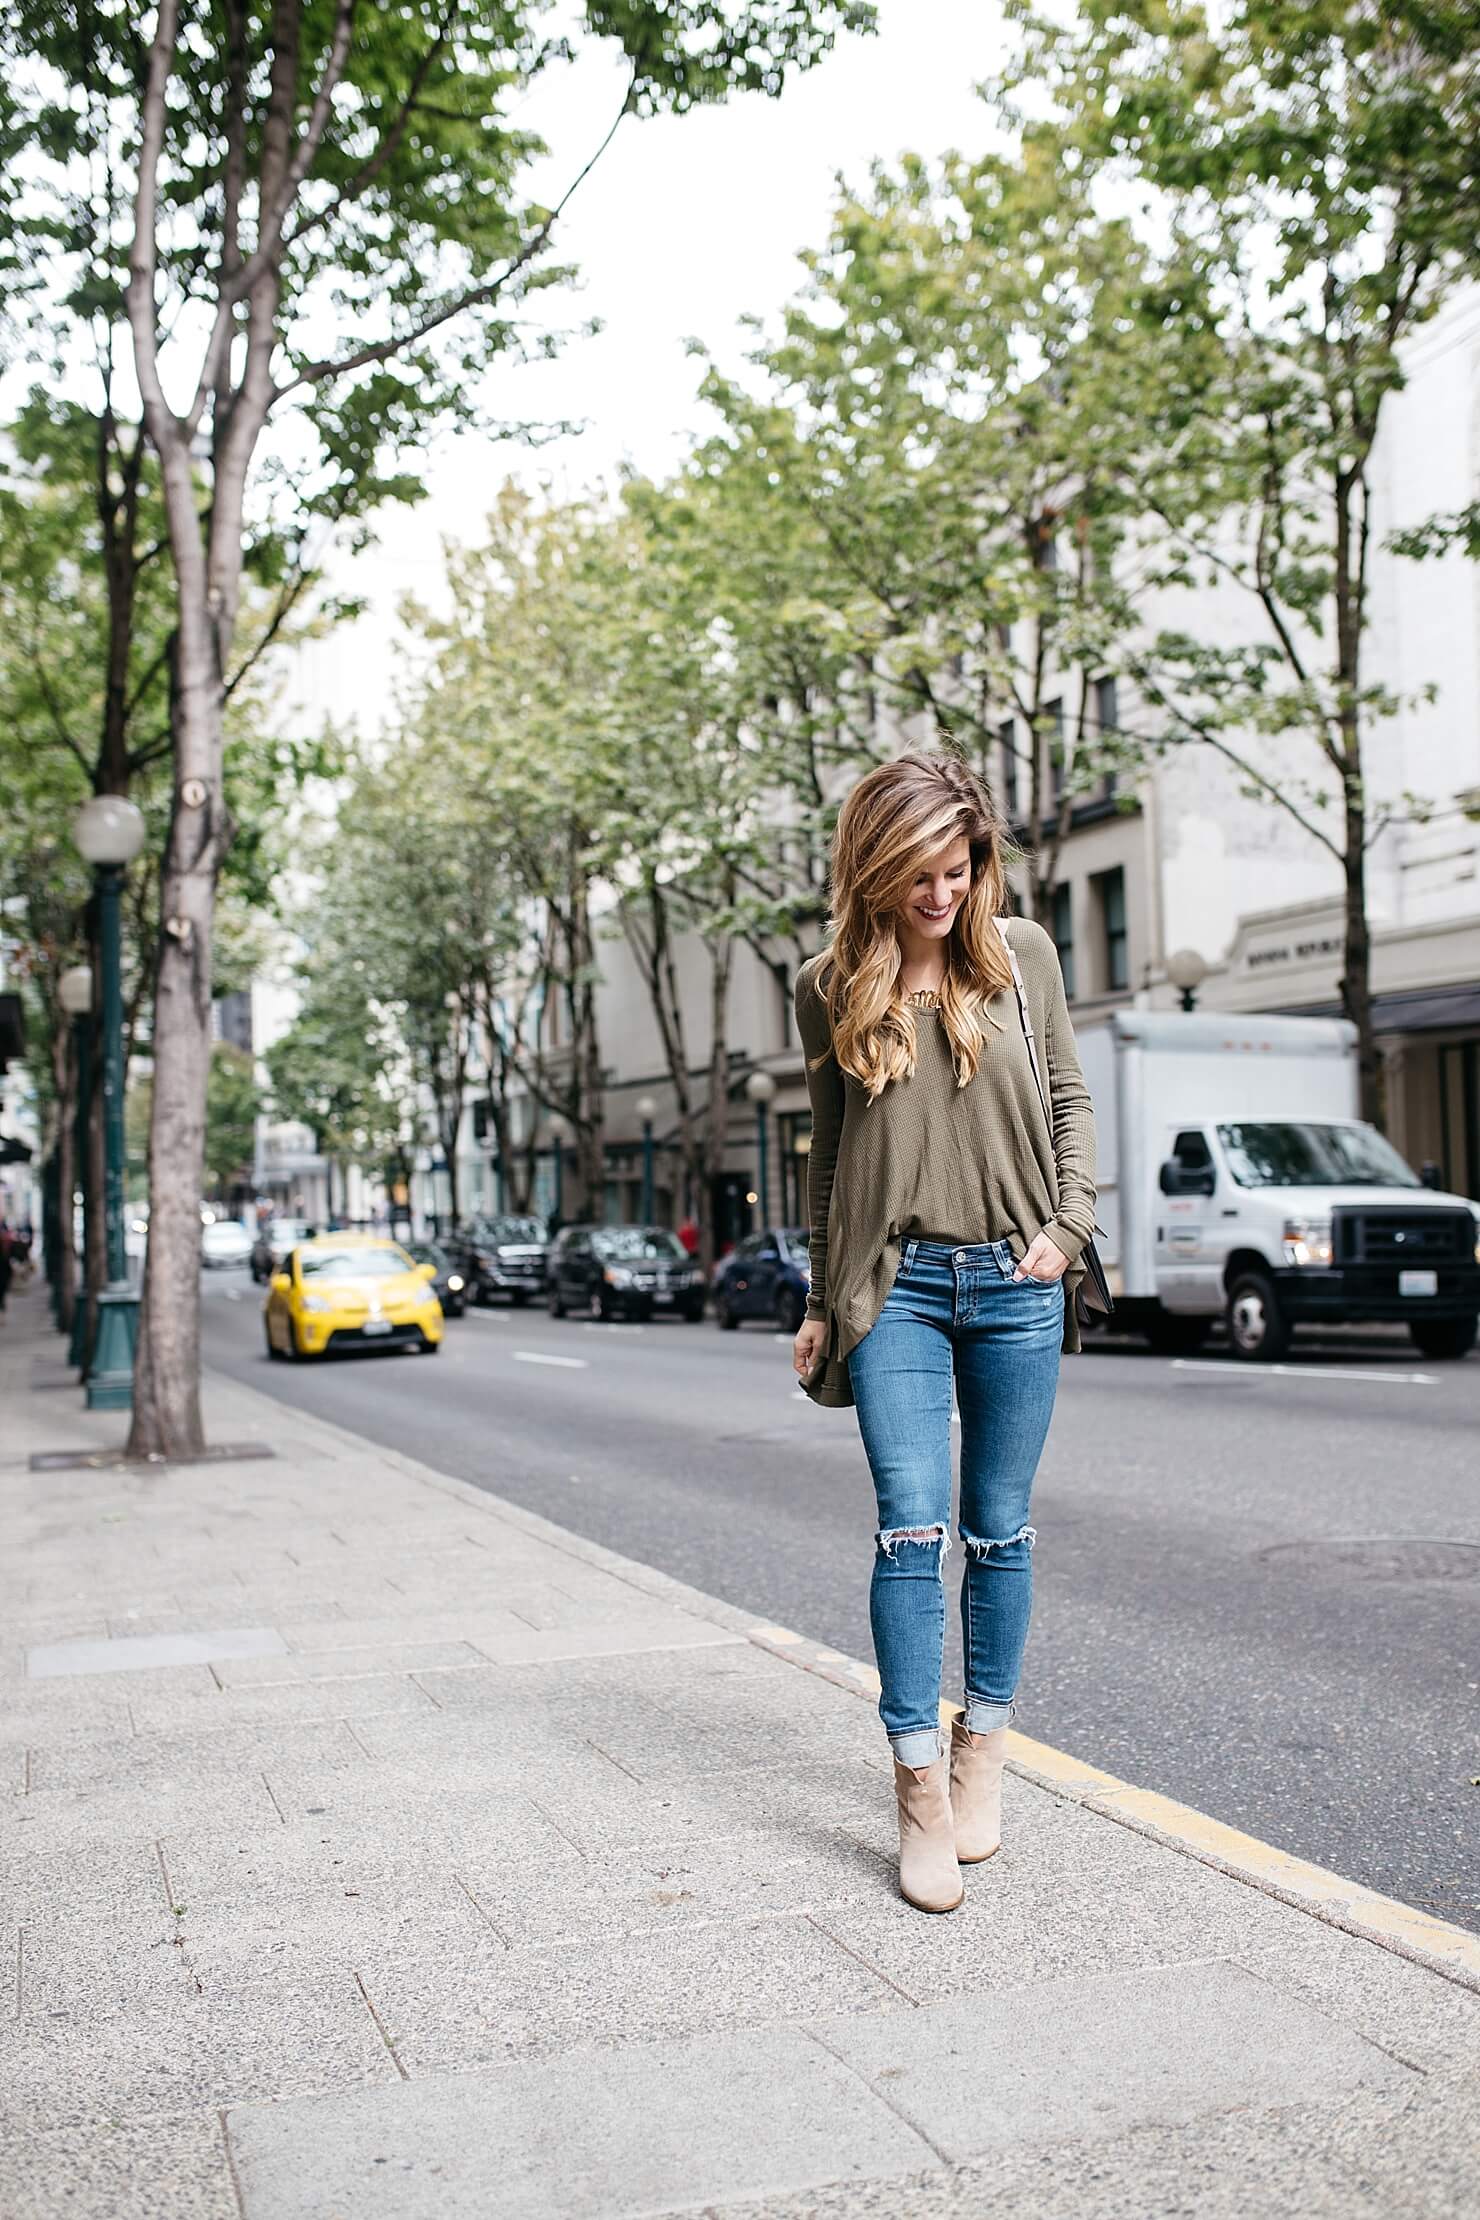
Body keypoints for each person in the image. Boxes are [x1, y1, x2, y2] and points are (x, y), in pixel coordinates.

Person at [791, 753, 1097, 1914]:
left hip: (1018, 1277)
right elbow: (828, 1157)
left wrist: (1068, 1229)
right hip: (895, 1289)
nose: (940, 894)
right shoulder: (828, 985)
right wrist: (822, 1301)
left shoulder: (1022, 958)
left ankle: (985, 1755)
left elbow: (1066, 1095)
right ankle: (916, 1787)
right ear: (874, 871)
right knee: (909, 1535)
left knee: (1000, 1534)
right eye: (917, 873)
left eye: (958, 869)